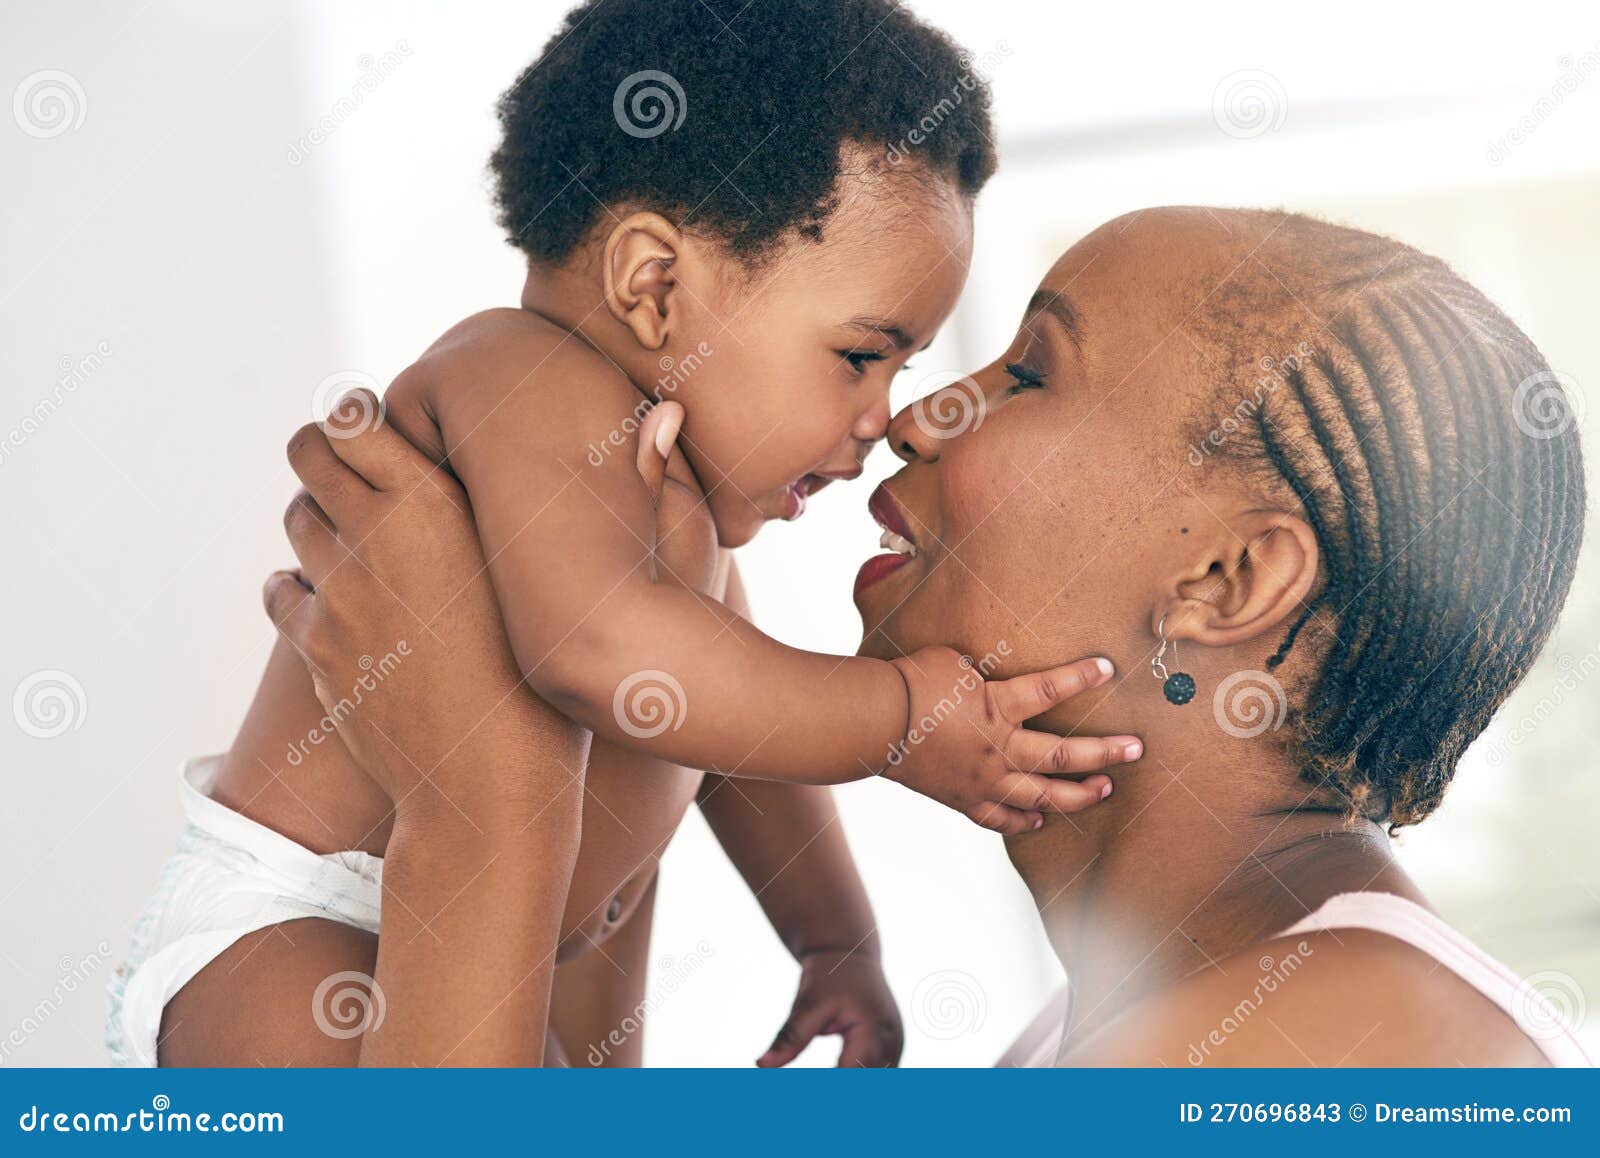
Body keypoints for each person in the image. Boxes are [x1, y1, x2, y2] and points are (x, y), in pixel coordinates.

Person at [269, 207, 1591, 1066]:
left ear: (1228, 575)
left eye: (1026, 372)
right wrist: (583, 758)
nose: (913, 417)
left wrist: (481, 802)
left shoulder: (1356, 1047)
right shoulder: (1107, 1043)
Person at [107, 0, 1136, 1068]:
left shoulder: (669, 505)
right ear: (652, 285)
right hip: (306, 922)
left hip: (489, 964)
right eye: (857, 357)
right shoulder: (519, 378)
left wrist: (835, 940)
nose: (879, 421)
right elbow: (594, 648)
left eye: (900, 370)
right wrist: (902, 717)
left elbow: (736, 756)